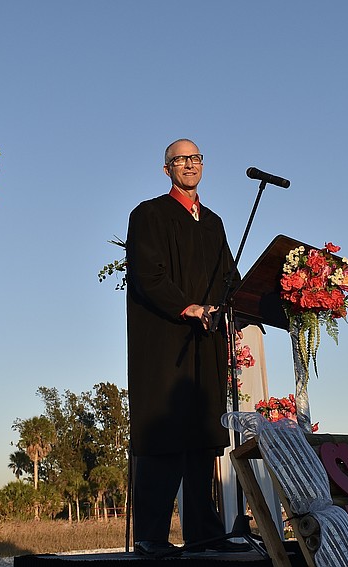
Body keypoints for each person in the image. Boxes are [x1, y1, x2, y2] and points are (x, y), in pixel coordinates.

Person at [126, 138, 246, 556]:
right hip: (164, 342)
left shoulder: (213, 222)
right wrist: (188, 306)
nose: (190, 165)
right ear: (167, 169)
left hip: (205, 341)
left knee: (201, 436)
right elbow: (147, 275)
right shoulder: (149, 215)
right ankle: (151, 537)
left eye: (196, 158)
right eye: (181, 159)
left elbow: (230, 275)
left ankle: (205, 534)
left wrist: (239, 302)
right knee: (164, 433)